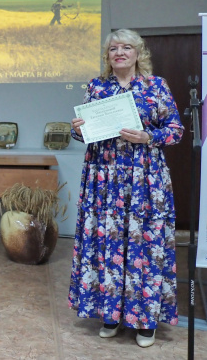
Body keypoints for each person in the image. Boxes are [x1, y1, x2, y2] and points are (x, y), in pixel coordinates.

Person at [69, 29, 183, 348]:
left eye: (126, 47)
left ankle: (146, 321)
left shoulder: (155, 86)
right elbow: (85, 134)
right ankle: (110, 315)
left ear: (138, 53)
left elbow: (175, 130)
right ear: (108, 56)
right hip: (104, 179)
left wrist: (148, 137)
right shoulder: (97, 86)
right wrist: (77, 129)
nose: (119, 52)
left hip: (144, 179)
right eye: (113, 48)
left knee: (144, 244)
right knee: (106, 242)